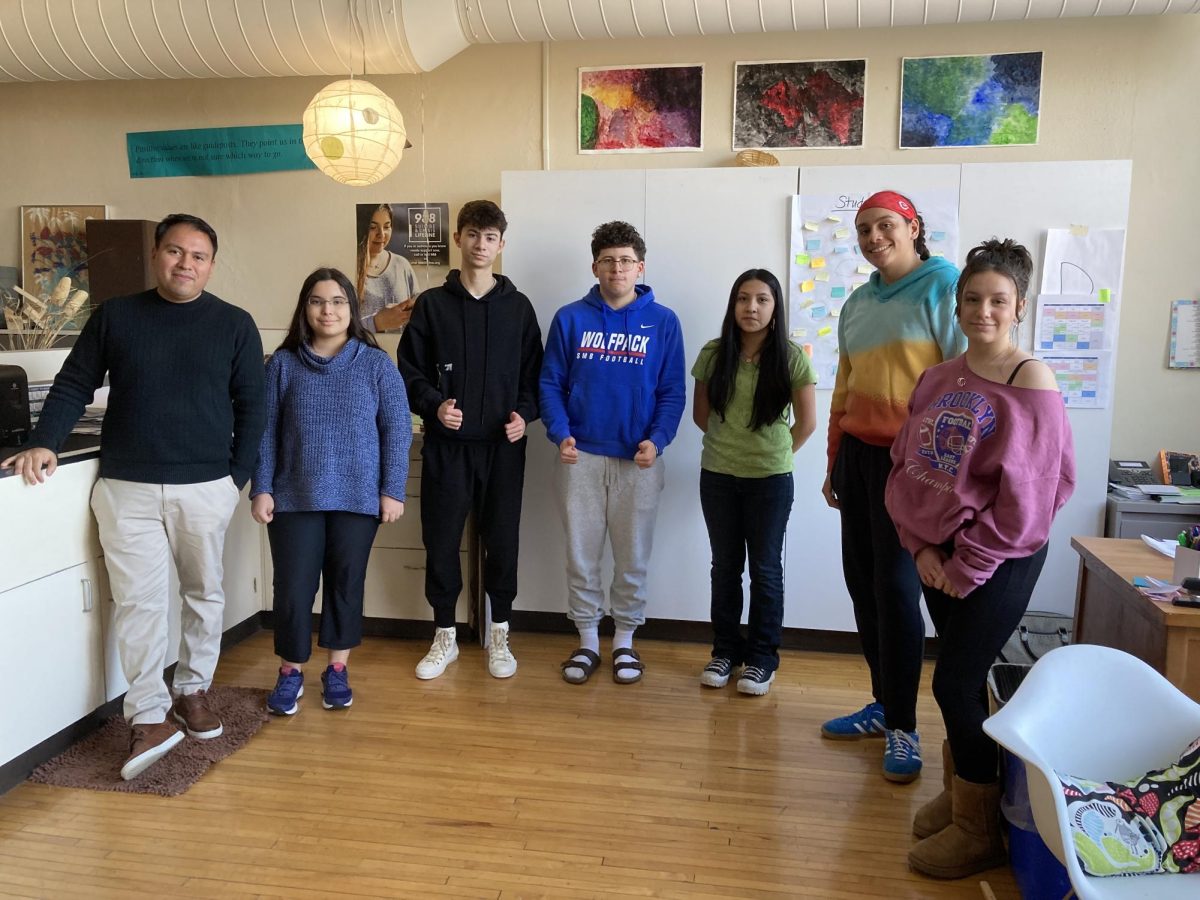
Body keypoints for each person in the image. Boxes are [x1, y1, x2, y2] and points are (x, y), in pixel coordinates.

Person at [1, 213, 265, 781]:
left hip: (205, 487)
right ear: (156, 254)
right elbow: (74, 382)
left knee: (203, 594)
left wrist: (233, 481)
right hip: (126, 487)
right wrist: (44, 441)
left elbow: (254, 410)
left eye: (197, 256)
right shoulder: (116, 316)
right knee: (141, 604)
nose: (185, 264)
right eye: (175, 251)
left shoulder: (235, 325)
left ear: (211, 265)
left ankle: (193, 690)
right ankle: (147, 714)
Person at [885, 239, 1075, 879]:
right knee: (959, 678)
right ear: (956, 302)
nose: (983, 311)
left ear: (1019, 305)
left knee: (955, 681)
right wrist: (921, 547)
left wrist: (962, 564)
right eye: (972, 298)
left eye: (998, 300)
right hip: (936, 556)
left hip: (997, 558)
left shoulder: (1031, 382)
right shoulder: (941, 376)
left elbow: (1031, 503)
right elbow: (907, 468)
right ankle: (970, 791)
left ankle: (980, 828)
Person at [820, 190, 965, 783]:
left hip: (915, 464)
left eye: (885, 226)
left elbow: (963, 385)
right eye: (863, 229)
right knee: (864, 585)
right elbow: (843, 389)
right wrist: (834, 460)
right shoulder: (857, 303)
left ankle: (906, 727)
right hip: (860, 459)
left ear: (913, 227)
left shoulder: (945, 286)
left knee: (900, 592)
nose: (874, 237)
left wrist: (947, 475)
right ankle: (884, 704)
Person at [251, 267, 412, 715]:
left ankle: (337, 669)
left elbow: (396, 430)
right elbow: (264, 433)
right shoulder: (281, 366)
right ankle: (290, 672)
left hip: (358, 498)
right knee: (294, 589)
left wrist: (391, 490)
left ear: (352, 309)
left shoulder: (377, 365)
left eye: (338, 301)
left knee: (345, 584)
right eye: (319, 301)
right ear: (305, 309)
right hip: (293, 497)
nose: (329, 310)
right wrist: (260, 488)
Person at [397, 200, 542, 680]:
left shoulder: (519, 309)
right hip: (447, 448)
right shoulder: (433, 306)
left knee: (502, 541)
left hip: (503, 449)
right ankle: (444, 635)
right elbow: (410, 371)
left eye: (491, 237)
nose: (482, 245)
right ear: (459, 238)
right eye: (474, 234)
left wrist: (526, 415)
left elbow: (535, 377)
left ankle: (499, 631)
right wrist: (435, 404)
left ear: (502, 245)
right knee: (440, 540)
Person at [540, 221, 686, 685]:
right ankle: (586, 641)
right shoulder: (570, 318)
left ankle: (624, 641)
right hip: (579, 457)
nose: (616, 268)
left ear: (640, 267)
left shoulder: (663, 322)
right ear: (595, 266)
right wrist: (560, 433)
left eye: (625, 260)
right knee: (582, 557)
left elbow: (672, 392)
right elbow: (550, 384)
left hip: (639, 461)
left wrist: (658, 440)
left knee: (632, 557)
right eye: (608, 260)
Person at [691, 269, 816, 695]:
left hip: (770, 481)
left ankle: (762, 659)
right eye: (743, 299)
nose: (751, 308)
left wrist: (773, 455)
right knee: (724, 568)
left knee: (765, 571)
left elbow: (808, 423)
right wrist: (733, 448)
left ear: (776, 307)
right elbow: (700, 416)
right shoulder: (713, 353)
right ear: (733, 305)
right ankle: (725, 651)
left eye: (762, 300)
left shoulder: (792, 357)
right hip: (719, 476)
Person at [356, 203, 418, 333]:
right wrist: (376, 323)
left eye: (386, 227)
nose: (382, 234)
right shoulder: (349, 266)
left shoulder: (402, 265)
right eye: (373, 227)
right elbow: (338, 330)